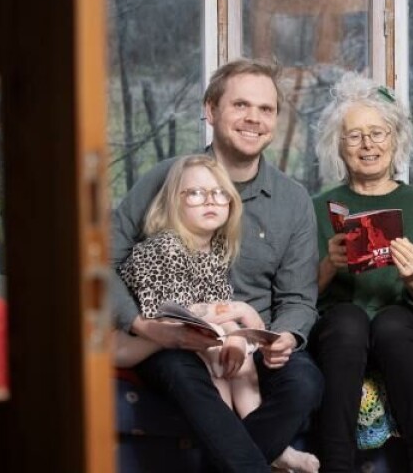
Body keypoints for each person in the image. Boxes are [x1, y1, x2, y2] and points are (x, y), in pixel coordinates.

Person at [110, 59, 323, 473]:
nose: (253, 119)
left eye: (266, 109)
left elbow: (299, 298)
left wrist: (285, 337)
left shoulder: (292, 200)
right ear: (210, 111)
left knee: (305, 382)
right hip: (174, 339)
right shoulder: (167, 179)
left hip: (251, 341)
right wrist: (142, 325)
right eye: (240, 105)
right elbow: (102, 262)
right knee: (183, 374)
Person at [310, 73, 413, 473]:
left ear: (397, 139)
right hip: (340, 327)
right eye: (354, 136)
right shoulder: (317, 206)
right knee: (348, 319)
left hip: (405, 325)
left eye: (378, 133)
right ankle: (335, 466)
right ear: (338, 145)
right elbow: (297, 296)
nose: (368, 145)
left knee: (391, 322)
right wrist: (328, 265)